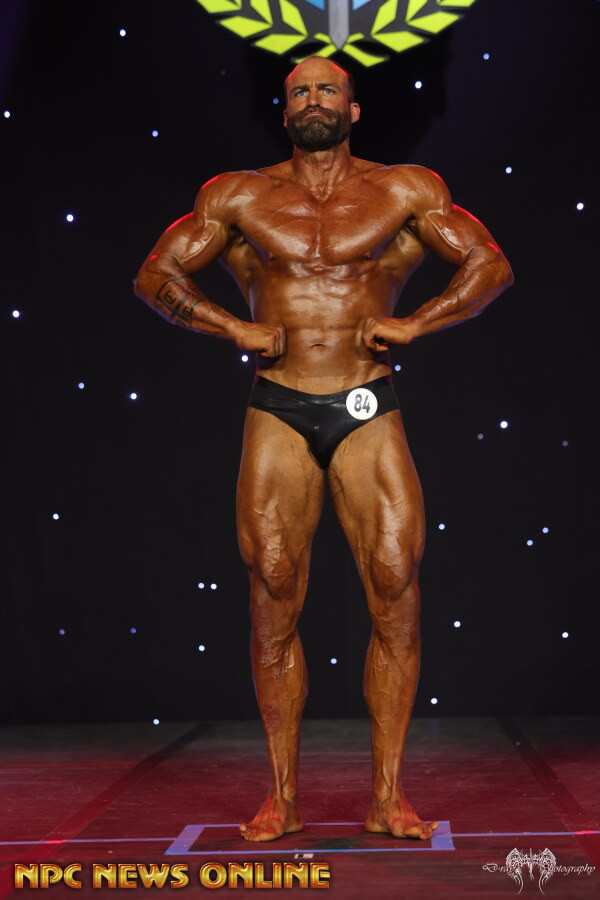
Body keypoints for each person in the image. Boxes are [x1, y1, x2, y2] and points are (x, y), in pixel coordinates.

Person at [134, 56, 514, 843]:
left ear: (353, 107)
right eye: (299, 91)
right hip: (279, 404)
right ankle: (281, 797)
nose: (313, 99)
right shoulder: (236, 195)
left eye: (327, 89)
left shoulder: (405, 189)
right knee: (273, 588)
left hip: (367, 401)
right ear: (285, 111)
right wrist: (231, 326)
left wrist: (417, 322)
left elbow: (491, 264)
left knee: (395, 583)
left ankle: (389, 797)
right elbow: (154, 274)